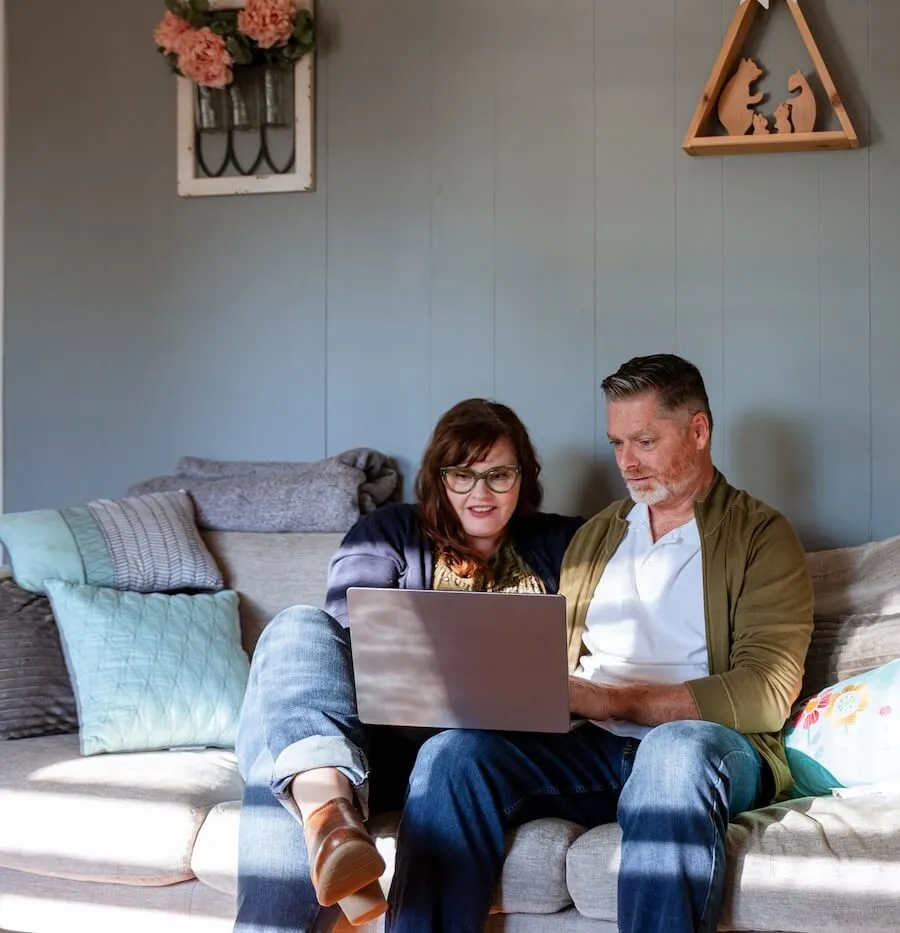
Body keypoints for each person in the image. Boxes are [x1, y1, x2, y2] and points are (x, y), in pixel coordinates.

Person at [387, 354, 815, 933]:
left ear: (698, 430)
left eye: (644, 440)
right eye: (617, 444)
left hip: (707, 750)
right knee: (450, 757)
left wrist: (612, 701)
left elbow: (767, 692)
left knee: (672, 754)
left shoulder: (762, 536)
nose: (628, 464)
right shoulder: (598, 534)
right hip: (590, 748)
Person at [233, 399, 585, 933]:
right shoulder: (389, 531)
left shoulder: (564, 543)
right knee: (297, 628)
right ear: (438, 477)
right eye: (462, 475)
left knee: (277, 770)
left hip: (468, 768)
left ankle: (329, 821)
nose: (481, 493)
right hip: (371, 751)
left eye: (499, 475)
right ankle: (331, 809)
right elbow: (340, 654)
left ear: (524, 477)